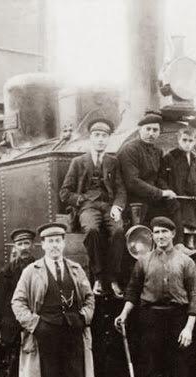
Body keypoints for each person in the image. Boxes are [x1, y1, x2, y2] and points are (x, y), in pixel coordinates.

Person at [114, 216, 196, 377]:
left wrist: (188, 328)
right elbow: (133, 291)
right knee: (149, 370)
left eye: (164, 232)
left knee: (181, 373)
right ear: (152, 236)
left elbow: (195, 297)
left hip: (178, 319)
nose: (161, 236)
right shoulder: (144, 261)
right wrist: (124, 313)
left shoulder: (186, 261)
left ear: (173, 234)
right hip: (150, 319)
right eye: (157, 232)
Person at [11, 222, 97, 377]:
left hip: (73, 331)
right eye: (50, 242)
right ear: (43, 245)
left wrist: (84, 317)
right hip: (46, 333)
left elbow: (90, 297)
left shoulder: (75, 269)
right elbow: (18, 302)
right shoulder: (32, 271)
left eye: (58, 241)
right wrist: (35, 324)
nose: (54, 246)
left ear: (63, 243)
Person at [59, 118, 127, 297]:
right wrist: (81, 200)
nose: (100, 139)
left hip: (108, 206)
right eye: (97, 135)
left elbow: (120, 189)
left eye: (104, 136)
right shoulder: (78, 162)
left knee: (119, 231)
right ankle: (97, 277)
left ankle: (112, 279)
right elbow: (64, 192)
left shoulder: (113, 162)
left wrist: (117, 207)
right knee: (92, 230)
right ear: (90, 138)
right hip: (87, 207)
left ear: (108, 139)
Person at [0, 228, 39, 377]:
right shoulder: (7, 273)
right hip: (13, 328)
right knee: (15, 369)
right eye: (20, 244)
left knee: (35, 370)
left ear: (33, 246)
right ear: (15, 248)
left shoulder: (40, 268)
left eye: (27, 244)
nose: (24, 248)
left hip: (35, 326)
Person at [117, 110, 182, 243]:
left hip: (151, 197)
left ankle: (178, 244)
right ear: (140, 130)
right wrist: (160, 193)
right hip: (134, 199)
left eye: (155, 130)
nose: (151, 133)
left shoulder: (157, 151)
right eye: (148, 129)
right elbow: (132, 182)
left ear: (159, 132)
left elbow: (158, 177)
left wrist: (168, 192)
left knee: (173, 204)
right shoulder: (129, 150)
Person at [162, 127, 196, 249]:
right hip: (176, 202)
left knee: (192, 234)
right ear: (178, 140)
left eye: (190, 141)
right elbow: (161, 179)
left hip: (194, 203)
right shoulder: (169, 158)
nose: (187, 144)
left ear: (194, 141)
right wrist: (167, 192)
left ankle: (190, 246)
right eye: (184, 140)